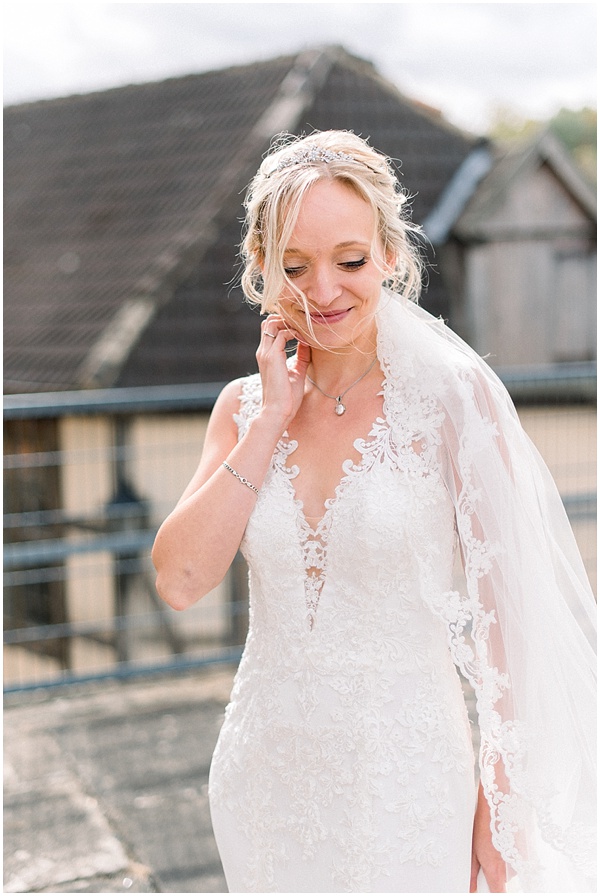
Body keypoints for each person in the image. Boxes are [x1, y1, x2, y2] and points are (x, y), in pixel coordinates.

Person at [152, 130, 596, 893]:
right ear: (262, 269)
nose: (323, 291)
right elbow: (182, 578)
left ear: (391, 254)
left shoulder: (455, 399)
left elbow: (510, 623)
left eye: (350, 261)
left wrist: (503, 797)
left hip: (409, 785)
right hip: (265, 780)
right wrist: (268, 425)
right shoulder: (243, 409)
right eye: (294, 266)